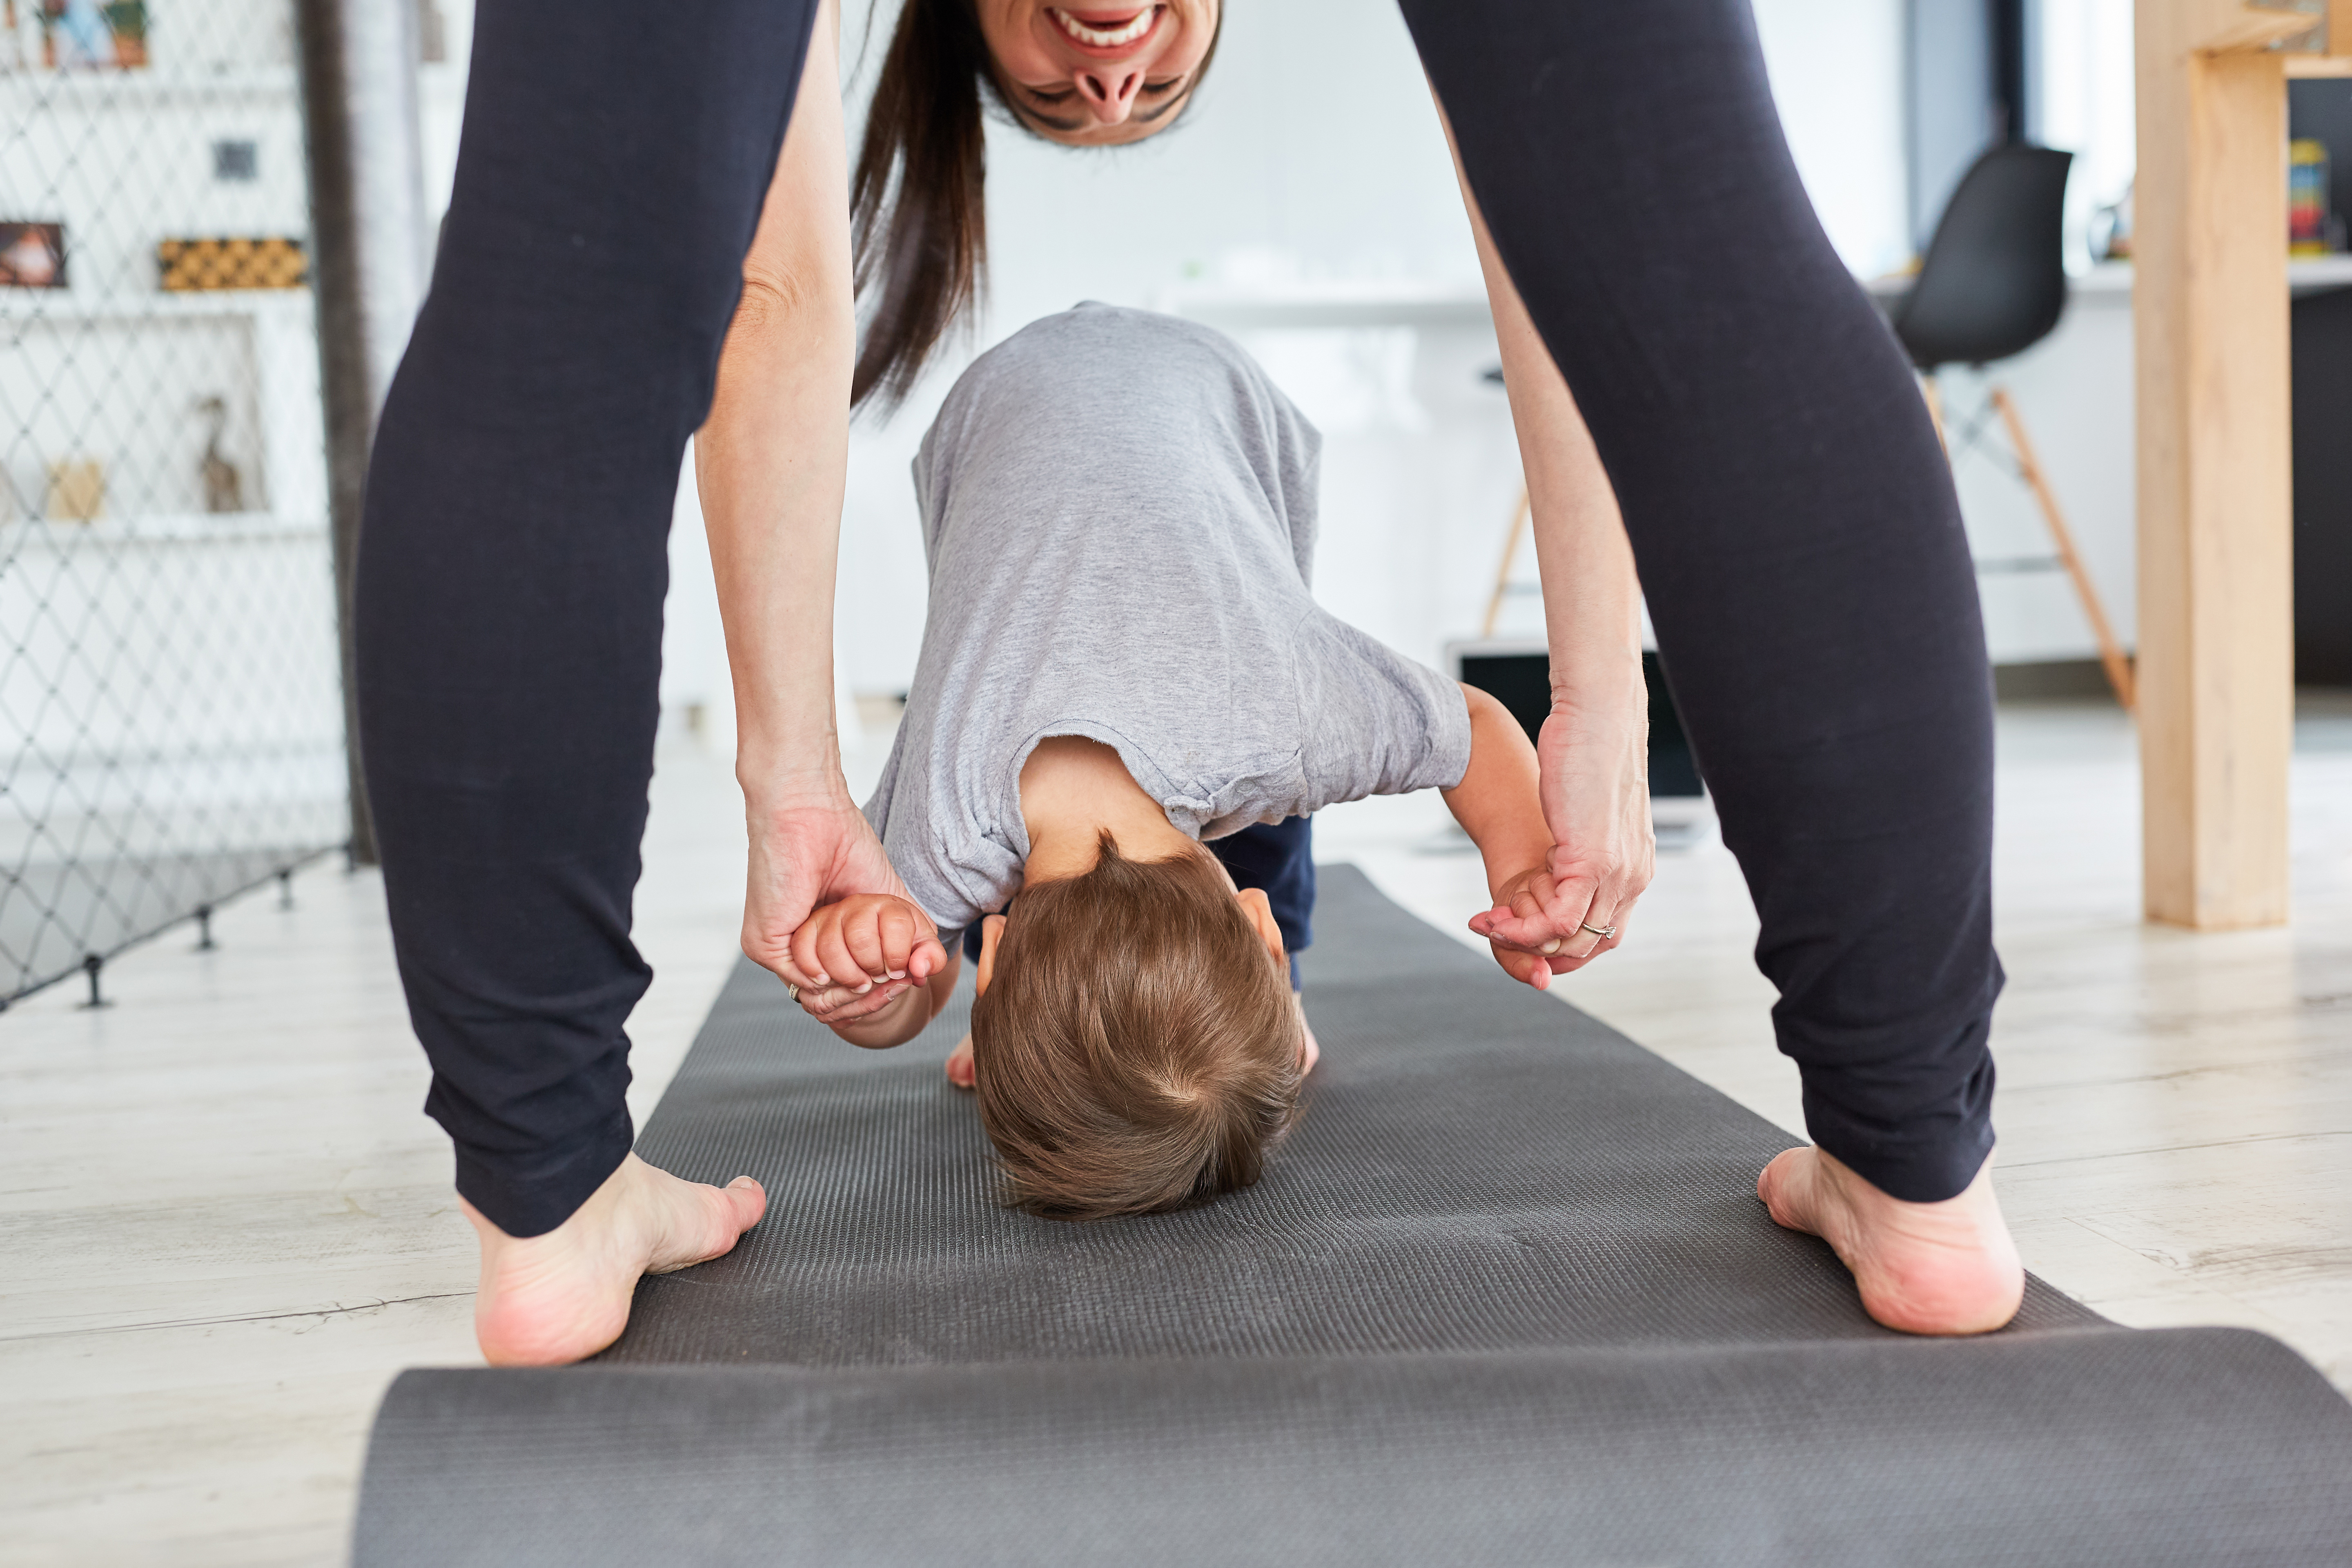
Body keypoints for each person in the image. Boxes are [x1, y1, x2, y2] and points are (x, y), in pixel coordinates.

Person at [358, 0, 2021, 1367]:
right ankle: (1915, 1170)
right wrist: (1580, 713)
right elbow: (1601, 253)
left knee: (571, 279)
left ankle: (547, 1206)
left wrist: (809, 807)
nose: (1109, 56)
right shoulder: (1240, 730)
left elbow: (761, 298)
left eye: (1137, 80)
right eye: (1083, 82)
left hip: (1162, 526)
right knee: (1686, 237)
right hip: (1175, 573)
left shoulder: (1164, 755)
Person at [780, 304, 1568, 1219]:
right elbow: (915, 986)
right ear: (985, 964)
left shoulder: (1286, 712)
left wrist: (1524, 871)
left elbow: (1472, 727)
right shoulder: (929, 844)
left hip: (1132, 407)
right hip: (1069, 408)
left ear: (1262, 934)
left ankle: (1257, 982)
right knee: (1272, 778)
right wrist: (872, 986)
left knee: (1278, 783)